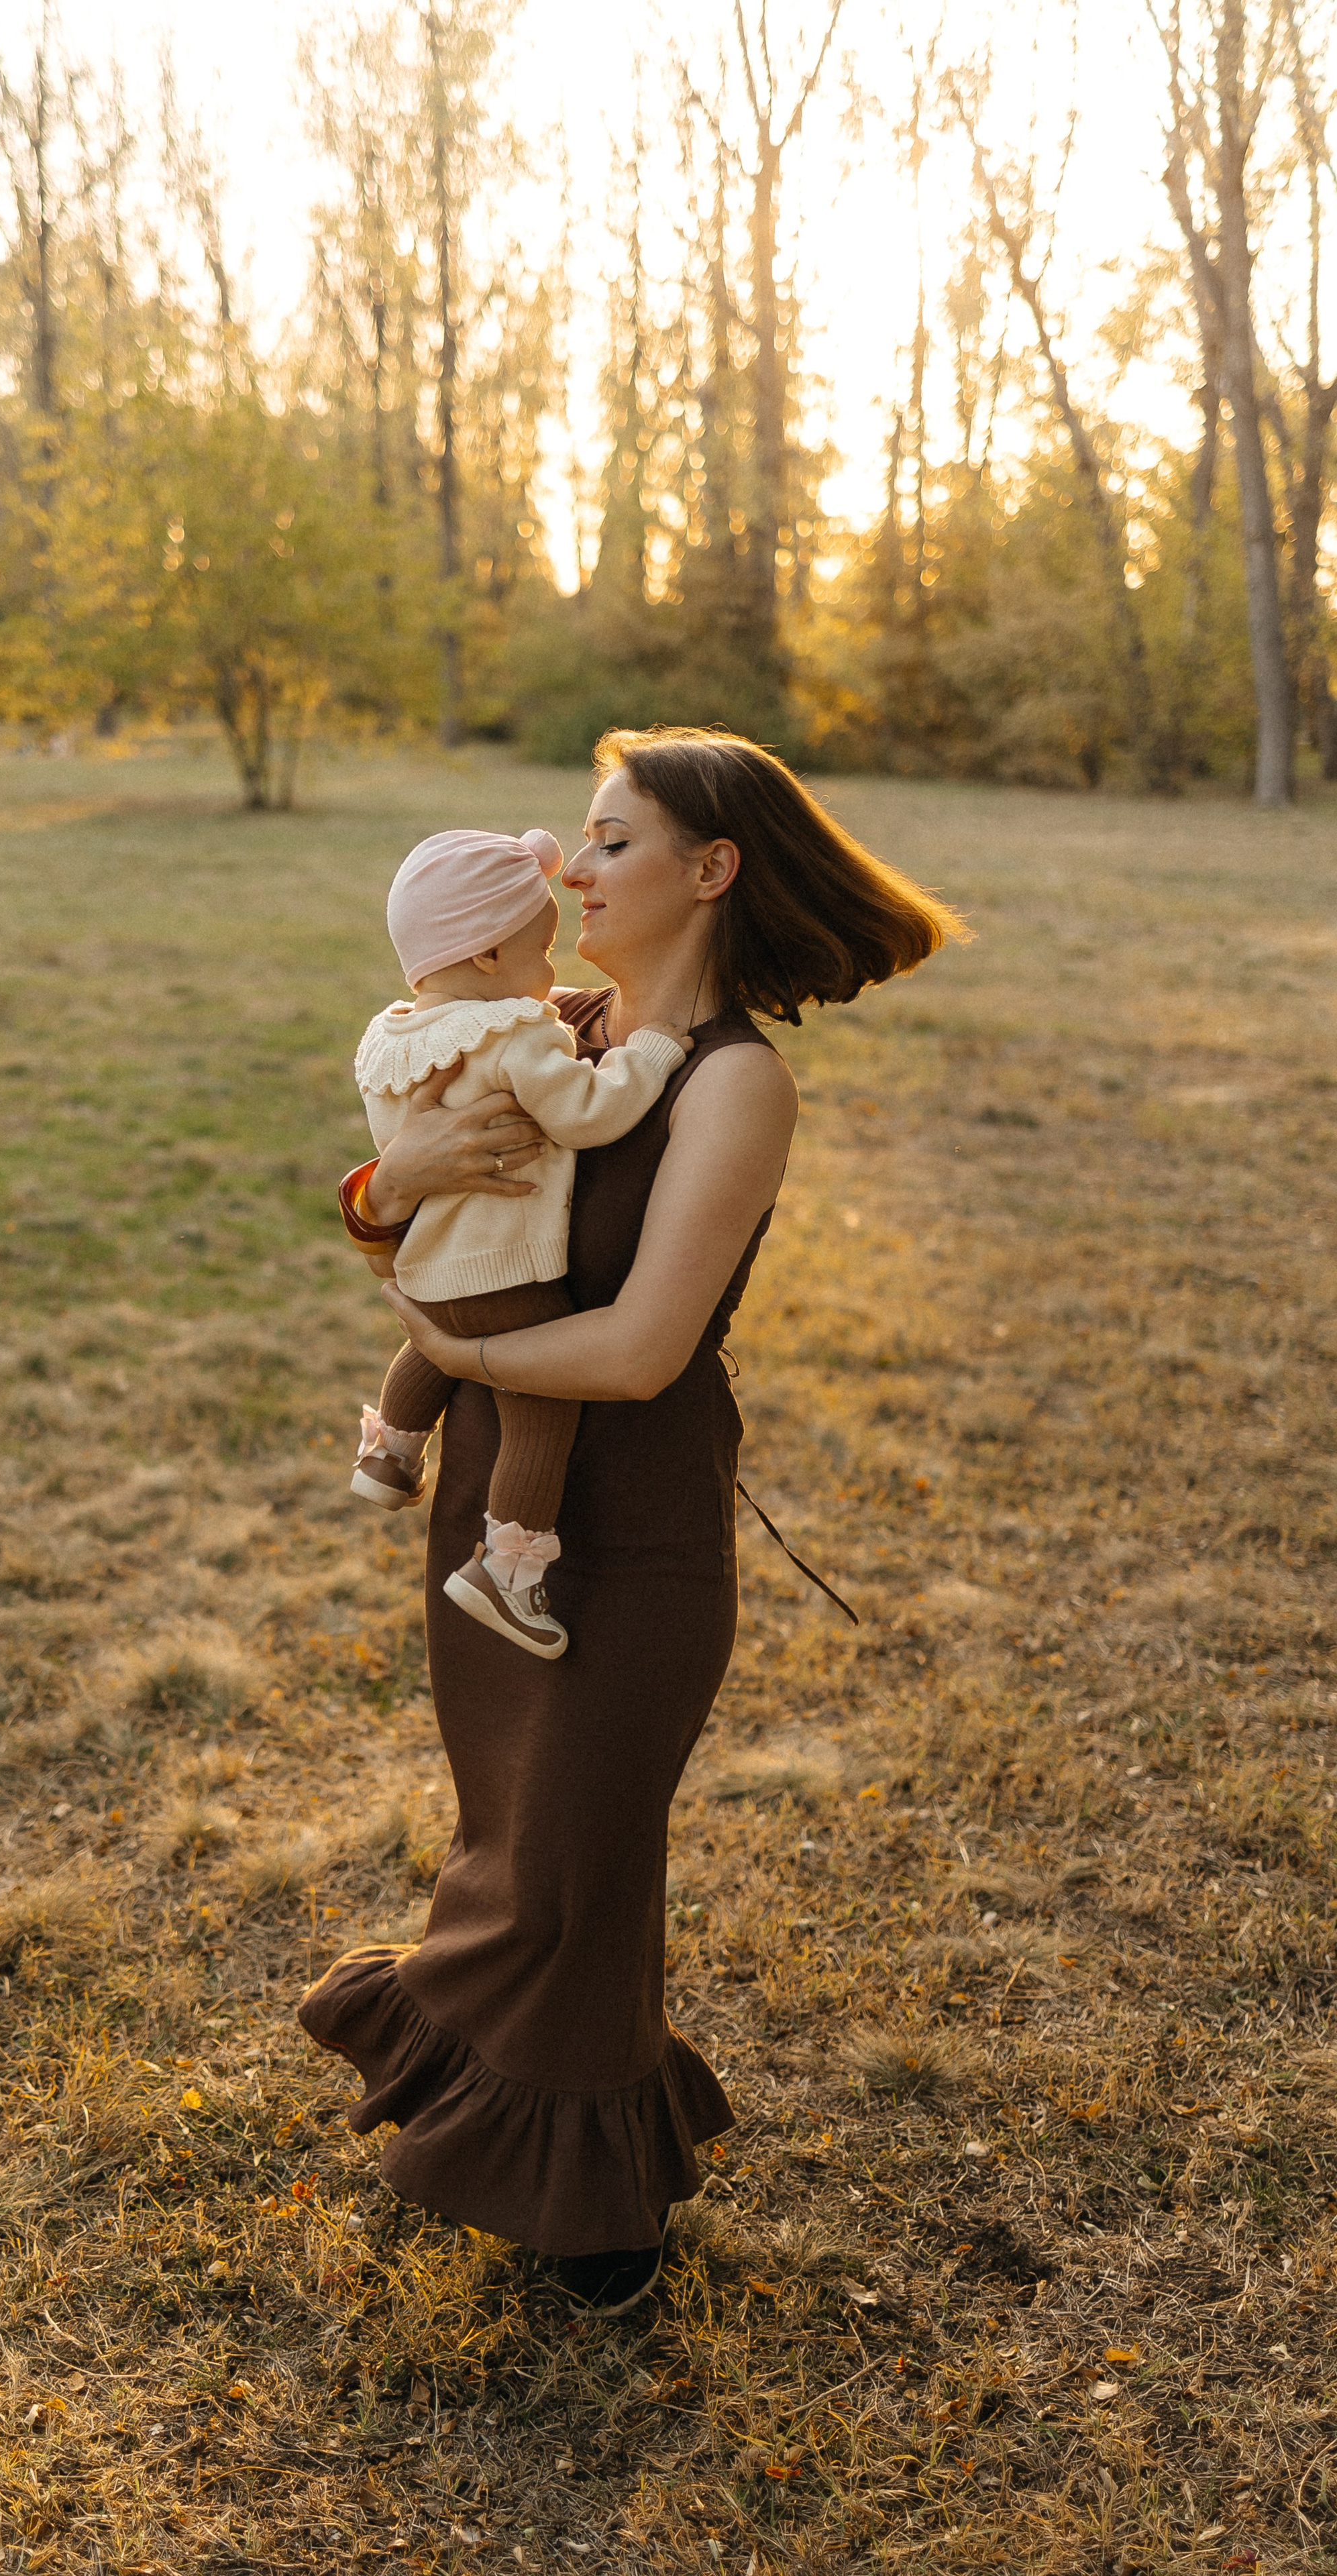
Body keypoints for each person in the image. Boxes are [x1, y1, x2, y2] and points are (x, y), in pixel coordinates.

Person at [301, 727, 964, 2316]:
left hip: (632, 1510)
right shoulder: (559, 1023)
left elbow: (638, 1345)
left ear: (706, 869)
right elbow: (414, 1201)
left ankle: (595, 2206)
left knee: (579, 1865)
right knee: (510, 1827)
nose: (568, 869)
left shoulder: (733, 1082)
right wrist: (379, 1196)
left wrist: (448, 1353)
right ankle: (493, 2119)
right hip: (496, 1497)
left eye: (606, 841)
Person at [350, 823, 688, 1660]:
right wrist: (646, 1055)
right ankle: (507, 1568)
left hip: (431, 1264)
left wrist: (387, 1188)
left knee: (435, 1338)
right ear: (491, 961)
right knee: (540, 1411)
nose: (552, 972)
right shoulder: (519, 1030)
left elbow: (390, 1165)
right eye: (541, 951)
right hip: (506, 1266)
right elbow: (587, 1111)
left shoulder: (388, 1036)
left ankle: (390, 1453)